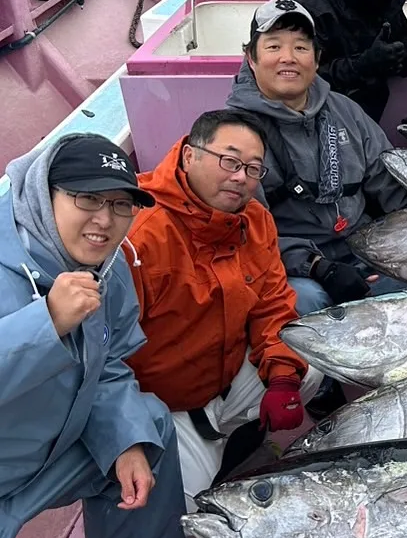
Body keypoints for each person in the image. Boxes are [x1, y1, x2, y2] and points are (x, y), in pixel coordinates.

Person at [0, 134, 215, 538]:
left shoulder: (106, 268)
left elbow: (107, 363)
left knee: (149, 424)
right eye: (87, 198)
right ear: (44, 192)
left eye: (121, 204)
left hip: (48, 455)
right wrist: (47, 323)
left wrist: (124, 444)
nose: (105, 220)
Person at [124, 110, 323, 509]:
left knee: (310, 361)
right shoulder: (139, 234)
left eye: (252, 168)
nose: (240, 177)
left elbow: (272, 305)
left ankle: (230, 433)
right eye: (229, 161)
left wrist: (283, 377)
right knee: (182, 512)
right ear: (188, 156)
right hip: (160, 404)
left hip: (224, 375)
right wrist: (126, 438)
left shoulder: (255, 219)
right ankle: (196, 443)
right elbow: (105, 359)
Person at [226, 0, 407, 315]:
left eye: (301, 48)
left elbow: (392, 183)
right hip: (294, 266)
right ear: (251, 58)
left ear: (316, 59)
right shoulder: (235, 133)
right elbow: (243, 233)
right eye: (274, 47)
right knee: (305, 300)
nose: (288, 58)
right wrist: (318, 266)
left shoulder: (346, 110)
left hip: (366, 248)